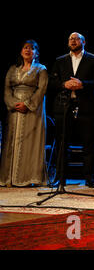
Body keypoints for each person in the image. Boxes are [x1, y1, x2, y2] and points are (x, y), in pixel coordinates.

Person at [49, 32, 94, 188]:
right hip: (64, 106)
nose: (73, 41)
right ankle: (61, 178)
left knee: (89, 143)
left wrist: (83, 84)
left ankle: (89, 178)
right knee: (62, 143)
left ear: (83, 42)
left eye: (76, 39)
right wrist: (63, 84)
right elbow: (51, 82)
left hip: (86, 107)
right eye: (70, 39)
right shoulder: (60, 61)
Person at [0, 40, 48, 187]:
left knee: (30, 142)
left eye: (32, 48)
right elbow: (7, 89)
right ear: (21, 51)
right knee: (11, 141)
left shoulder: (41, 69)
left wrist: (27, 104)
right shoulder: (13, 69)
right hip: (14, 111)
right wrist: (13, 103)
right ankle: (9, 178)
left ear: (36, 53)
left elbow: (41, 89)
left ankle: (28, 178)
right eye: (25, 48)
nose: (28, 50)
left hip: (33, 111)